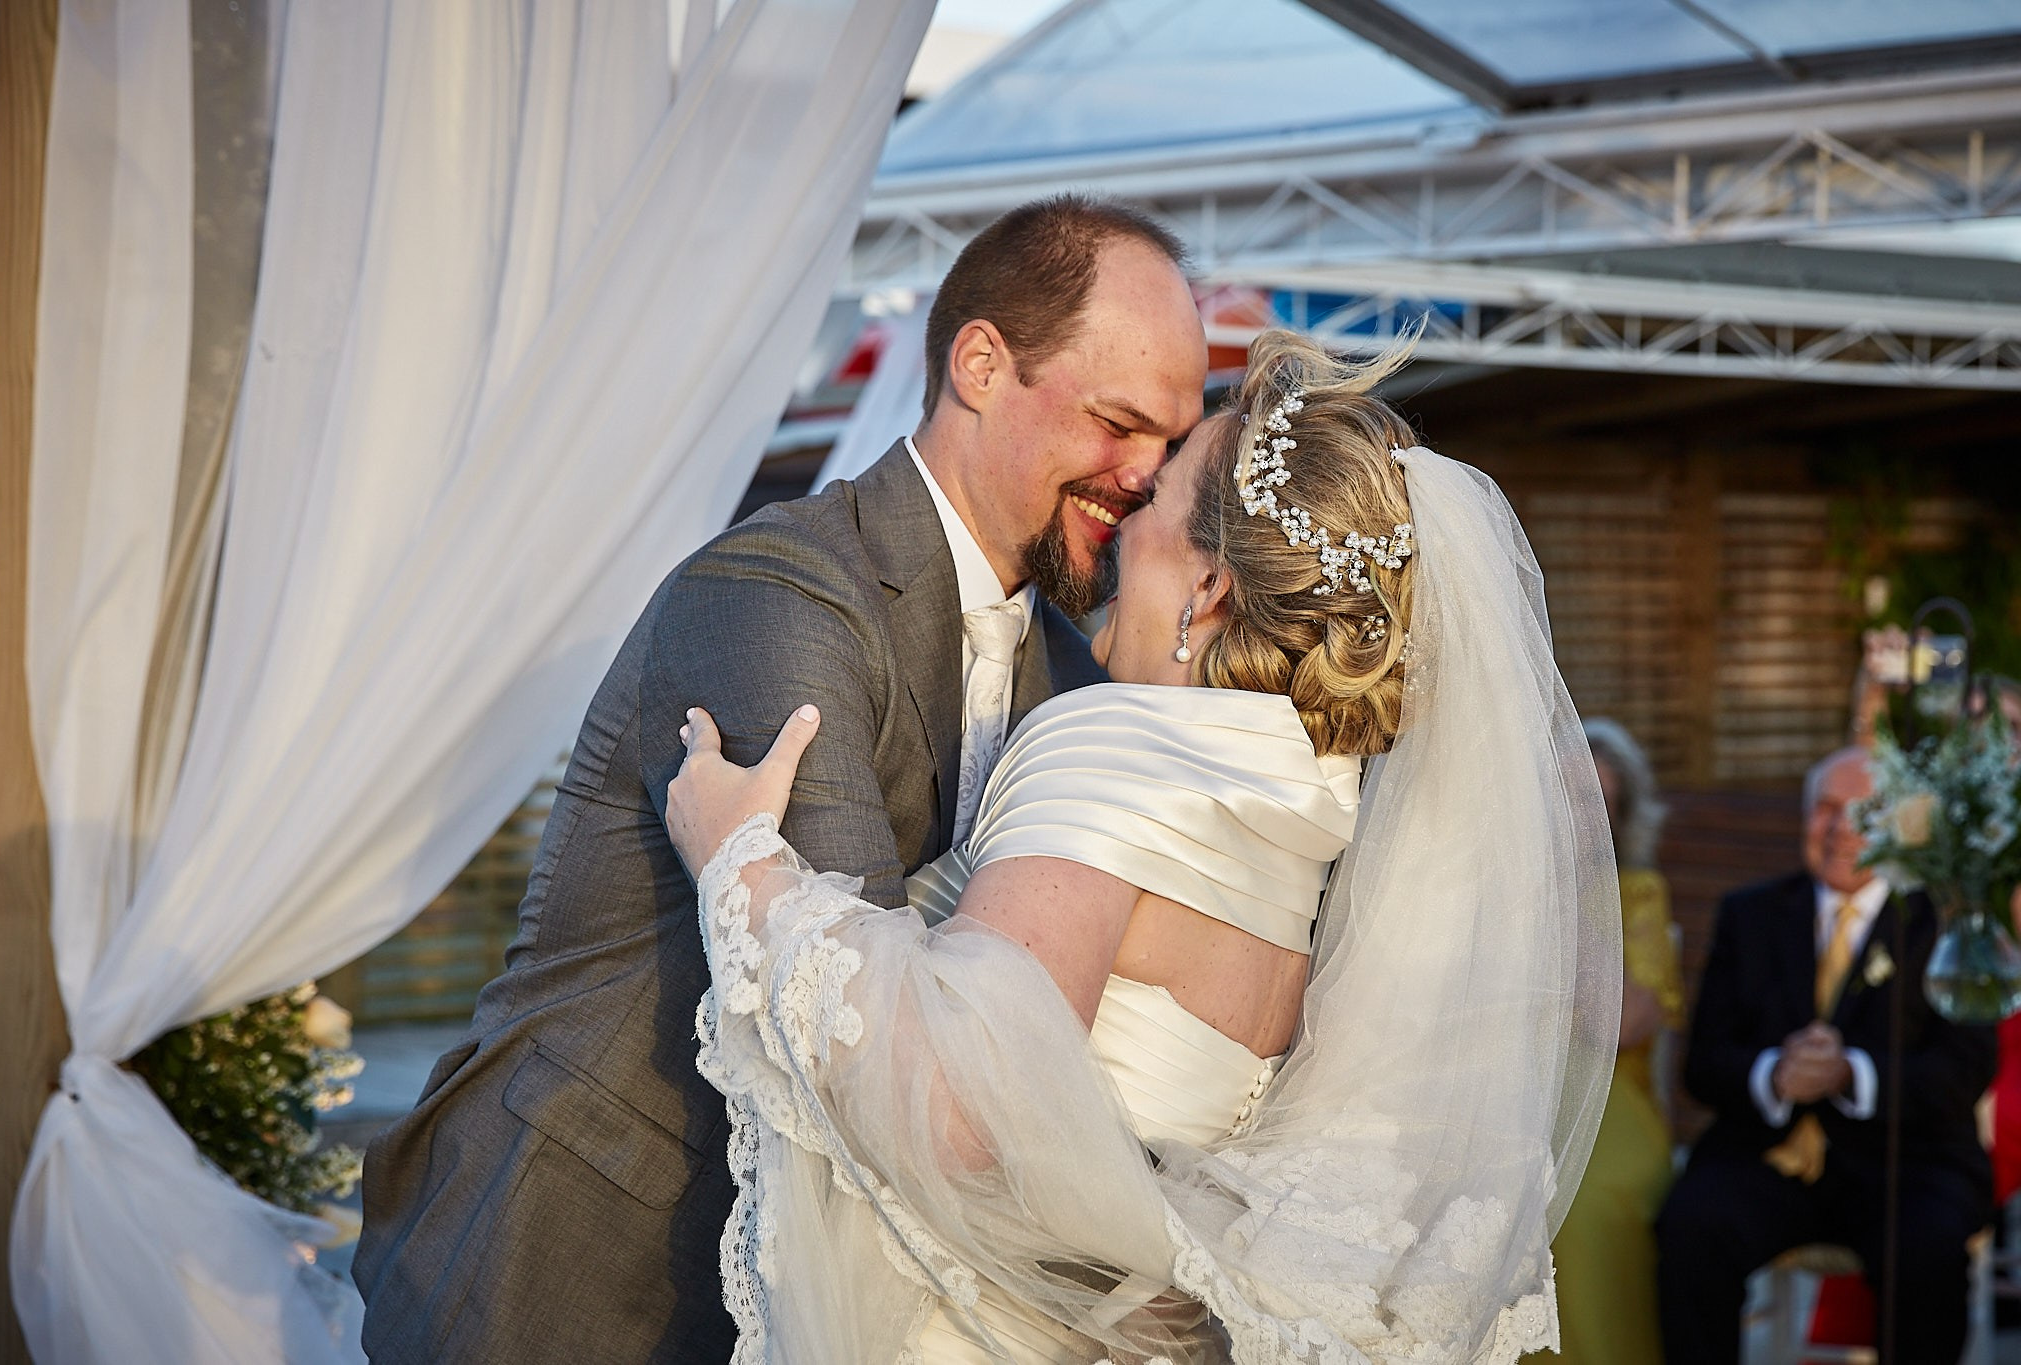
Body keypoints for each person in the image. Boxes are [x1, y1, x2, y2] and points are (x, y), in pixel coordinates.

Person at [351, 195, 1210, 1363]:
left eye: (1170, 442)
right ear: (978, 364)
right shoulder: (776, 590)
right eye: (1119, 422)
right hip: (586, 1258)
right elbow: (861, 1014)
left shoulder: (1067, 668)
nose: (1147, 476)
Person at [665, 329, 1623, 1363]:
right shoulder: (1318, 825)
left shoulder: (1110, 745)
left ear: (1206, 590)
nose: (1119, 516)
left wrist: (743, 868)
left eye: (1152, 504)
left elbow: (961, 1112)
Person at [1655, 746, 1997, 1365]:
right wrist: (1776, 1075)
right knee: (1689, 1227)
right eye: (1826, 810)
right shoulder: (1749, 913)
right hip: (1769, 1159)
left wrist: (1849, 1073)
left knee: (1928, 1251)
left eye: (1865, 813)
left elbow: (1963, 1073)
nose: (1841, 830)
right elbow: (1704, 1064)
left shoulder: (1943, 925)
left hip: (1908, 1166)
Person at [1529, 719, 1682, 1365]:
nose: (1577, 817)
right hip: (1519, 1103)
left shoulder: (1636, 896)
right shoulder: (1504, 892)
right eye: (1564, 797)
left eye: (1595, 803)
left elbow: (1617, 1027)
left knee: (1582, 1207)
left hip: (1612, 1107)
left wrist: (1575, 881)